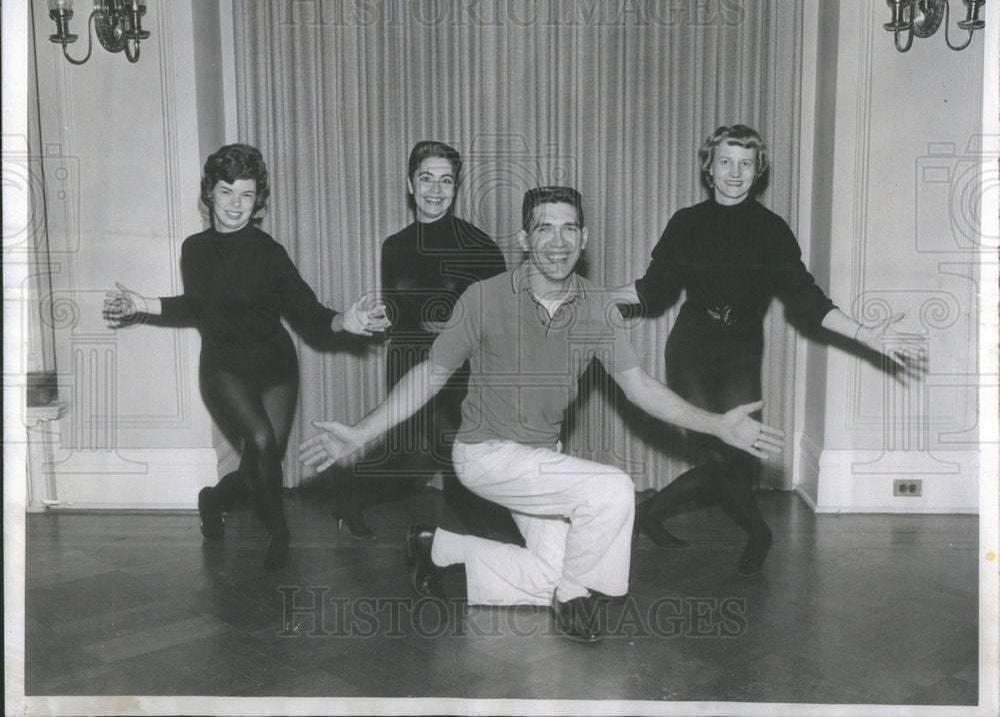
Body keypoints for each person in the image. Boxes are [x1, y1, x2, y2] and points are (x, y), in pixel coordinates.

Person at [300, 186, 785, 643]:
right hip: (484, 453)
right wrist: (360, 433)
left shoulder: (597, 307)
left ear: (584, 237)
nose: (558, 242)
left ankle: (438, 548)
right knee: (613, 492)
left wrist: (718, 423)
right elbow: (431, 373)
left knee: (553, 573)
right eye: (544, 229)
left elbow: (639, 387)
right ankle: (574, 597)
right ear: (524, 239)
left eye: (570, 228)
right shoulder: (485, 298)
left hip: (541, 459)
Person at [617, 124, 923, 575]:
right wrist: (594, 299)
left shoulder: (772, 230)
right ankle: (759, 531)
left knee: (738, 453)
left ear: (758, 171)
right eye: (725, 161)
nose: (735, 172)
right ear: (709, 166)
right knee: (721, 447)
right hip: (692, 344)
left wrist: (865, 334)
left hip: (742, 346)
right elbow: (652, 290)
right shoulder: (686, 222)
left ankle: (648, 515)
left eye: (745, 163)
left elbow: (808, 300)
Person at [103, 143, 390, 571]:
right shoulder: (195, 248)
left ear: (258, 201)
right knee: (260, 441)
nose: (236, 204)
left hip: (275, 364)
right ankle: (280, 534)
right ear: (209, 194)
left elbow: (309, 315)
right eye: (226, 192)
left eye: (247, 194)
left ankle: (213, 499)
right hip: (223, 366)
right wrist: (141, 302)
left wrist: (343, 321)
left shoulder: (269, 253)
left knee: (263, 463)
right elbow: (199, 305)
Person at [330, 140, 518, 543]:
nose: (435, 189)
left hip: (463, 366)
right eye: (426, 178)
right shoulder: (394, 246)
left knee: (420, 456)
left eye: (445, 180)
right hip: (409, 360)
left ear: (456, 186)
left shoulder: (481, 247)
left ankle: (349, 500)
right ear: (410, 184)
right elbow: (400, 313)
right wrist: (378, 318)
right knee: (438, 452)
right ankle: (505, 544)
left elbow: (500, 322)